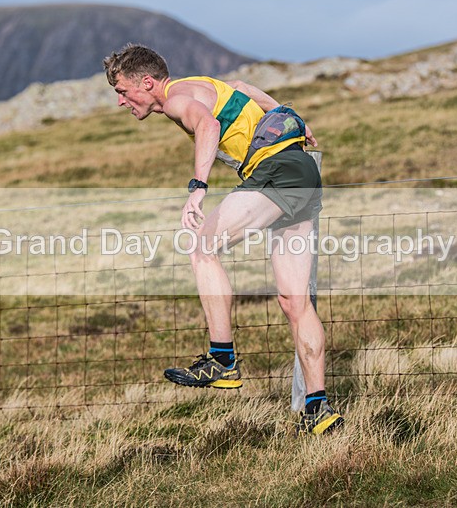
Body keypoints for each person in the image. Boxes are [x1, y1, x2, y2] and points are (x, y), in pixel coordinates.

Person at [103, 44, 343, 434]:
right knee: (293, 302)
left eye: (122, 90)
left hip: (275, 171)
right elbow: (243, 86)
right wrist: (292, 120)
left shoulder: (177, 98)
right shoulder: (198, 85)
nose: (120, 102)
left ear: (147, 83)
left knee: (201, 247)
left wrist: (198, 186)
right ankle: (319, 409)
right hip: (302, 172)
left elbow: (209, 126)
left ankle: (222, 360)